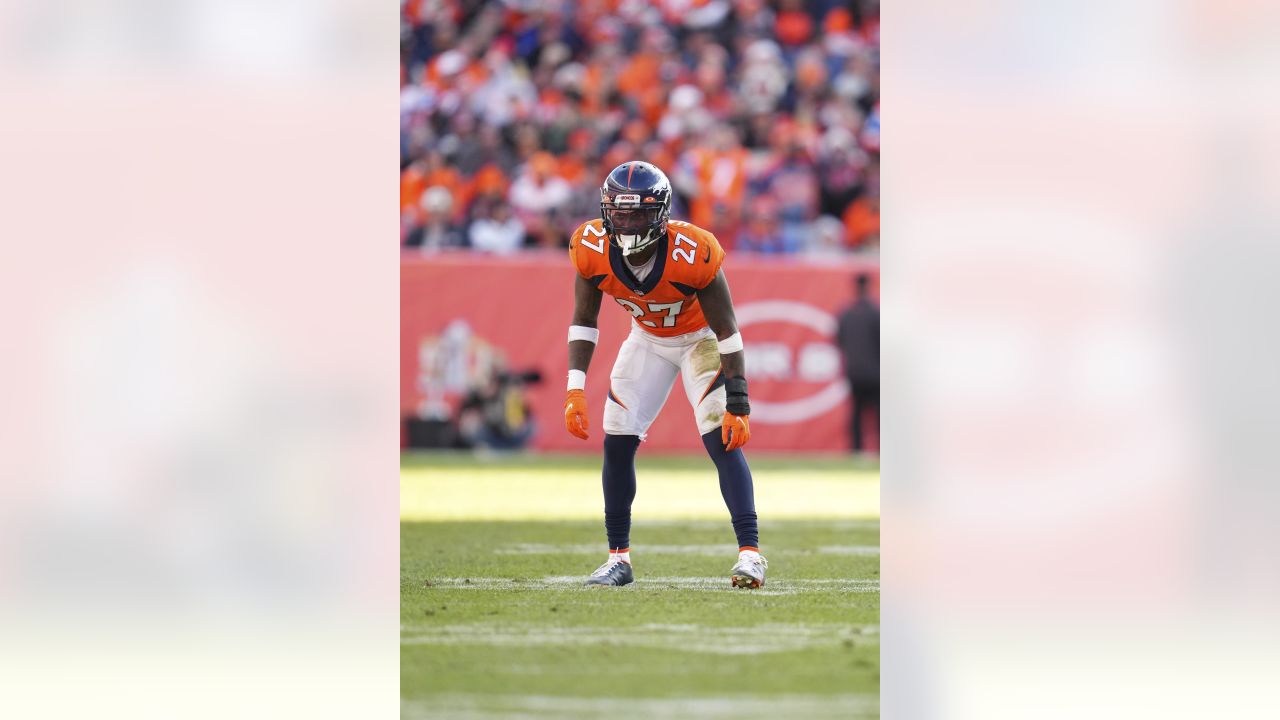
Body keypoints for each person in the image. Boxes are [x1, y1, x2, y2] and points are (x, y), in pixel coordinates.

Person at [563, 161, 767, 589]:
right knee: (616, 437)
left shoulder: (693, 250)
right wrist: (574, 388)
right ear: (606, 211)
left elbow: (727, 330)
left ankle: (750, 554)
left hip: (700, 340)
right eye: (620, 213)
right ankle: (618, 558)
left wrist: (739, 402)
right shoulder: (590, 245)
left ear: (660, 213)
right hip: (648, 340)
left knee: (721, 437)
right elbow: (584, 320)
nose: (628, 222)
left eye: (638, 213)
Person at [835, 274, 880, 453]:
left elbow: (839, 341)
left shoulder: (846, 314)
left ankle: (856, 451)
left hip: (854, 371)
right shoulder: (875, 314)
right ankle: (879, 451)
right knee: (878, 415)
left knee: (856, 413)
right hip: (876, 372)